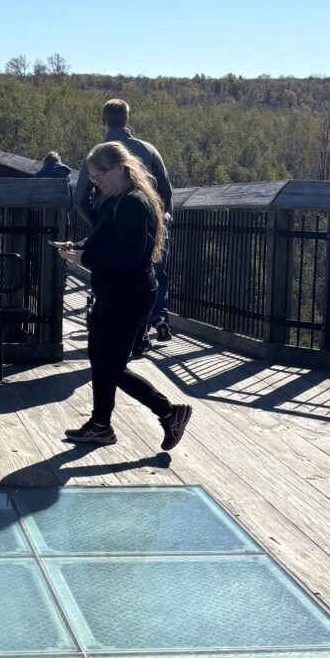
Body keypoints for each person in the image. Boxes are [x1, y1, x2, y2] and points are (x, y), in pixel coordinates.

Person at [53, 141, 190, 452]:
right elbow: (106, 238)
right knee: (99, 358)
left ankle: (170, 413)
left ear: (119, 168)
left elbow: (132, 256)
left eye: (99, 176)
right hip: (115, 292)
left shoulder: (131, 202)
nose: (96, 182)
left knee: (112, 366)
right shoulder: (117, 199)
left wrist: (83, 260)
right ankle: (101, 425)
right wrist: (80, 246)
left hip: (128, 295)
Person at [74, 100, 173, 349]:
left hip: (109, 232)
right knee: (150, 275)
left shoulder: (100, 153)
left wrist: (97, 222)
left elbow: (79, 197)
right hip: (149, 227)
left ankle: (124, 341)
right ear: (127, 119)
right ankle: (146, 330)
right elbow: (166, 191)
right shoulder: (148, 149)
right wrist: (159, 219)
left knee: (114, 278)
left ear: (103, 121)